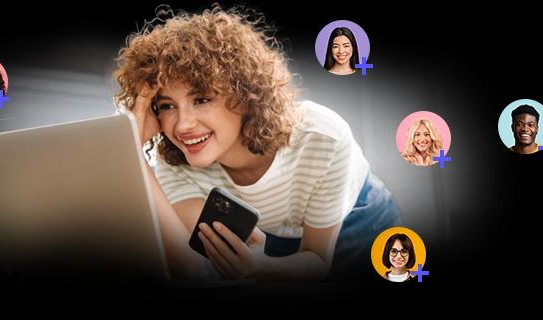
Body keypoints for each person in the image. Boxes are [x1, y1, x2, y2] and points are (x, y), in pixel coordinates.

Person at [114, 6, 400, 281]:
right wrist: (132, 149)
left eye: (201, 99)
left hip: (358, 222)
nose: (182, 125)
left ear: (245, 96)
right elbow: (191, 268)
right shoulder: (176, 159)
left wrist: (262, 269)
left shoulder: (322, 136)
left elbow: (317, 259)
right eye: (166, 106)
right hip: (269, 234)